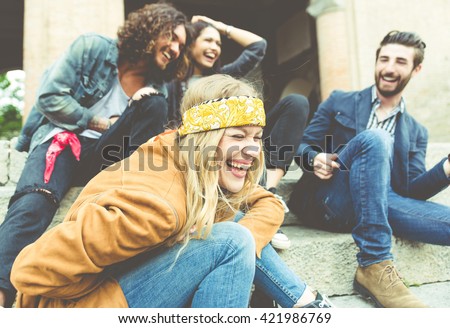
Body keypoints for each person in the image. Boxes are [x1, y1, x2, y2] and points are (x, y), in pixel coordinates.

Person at [10, 74, 332, 308]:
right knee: (231, 241)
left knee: (232, 229)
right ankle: (307, 305)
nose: (251, 150)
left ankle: (303, 303)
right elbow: (29, 271)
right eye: (237, 136)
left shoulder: (190, 162)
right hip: (90, 308)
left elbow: (267, 203)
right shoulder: (159, 208)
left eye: (256, 137)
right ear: (203, 139)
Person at [0, 3, 190, 308]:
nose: (177, 49)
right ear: (152, 28)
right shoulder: (92, 48)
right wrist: (106, 122)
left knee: (153, 104)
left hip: (107, 159)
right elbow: (50, 97)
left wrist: (135, 110)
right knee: (35, 200)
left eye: (182, 45)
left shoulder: (158, 89)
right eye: (173, 37)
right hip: (64, 140)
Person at [288, 31, 450, 308]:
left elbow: (411, 189)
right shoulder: (339, 101)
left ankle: (375, 264)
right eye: (384, 59)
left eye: (400, 61)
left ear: (416, 68)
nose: (389, 67)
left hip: (381, 202)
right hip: (331, 199)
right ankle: (374, 263)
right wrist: (313, 158)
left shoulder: (416, 131)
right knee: (376, 139)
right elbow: (300, 145)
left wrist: (446, 169)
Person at [166, 15, 310, 251]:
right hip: (203, 156)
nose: (214, 47)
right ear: (190, 43)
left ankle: (267, 192)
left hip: (238, 145)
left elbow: (258, 46)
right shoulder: (173, 83)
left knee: (296, 103)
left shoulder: (225, 76)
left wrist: (220, 27)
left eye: (218, 43)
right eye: (208, 40)